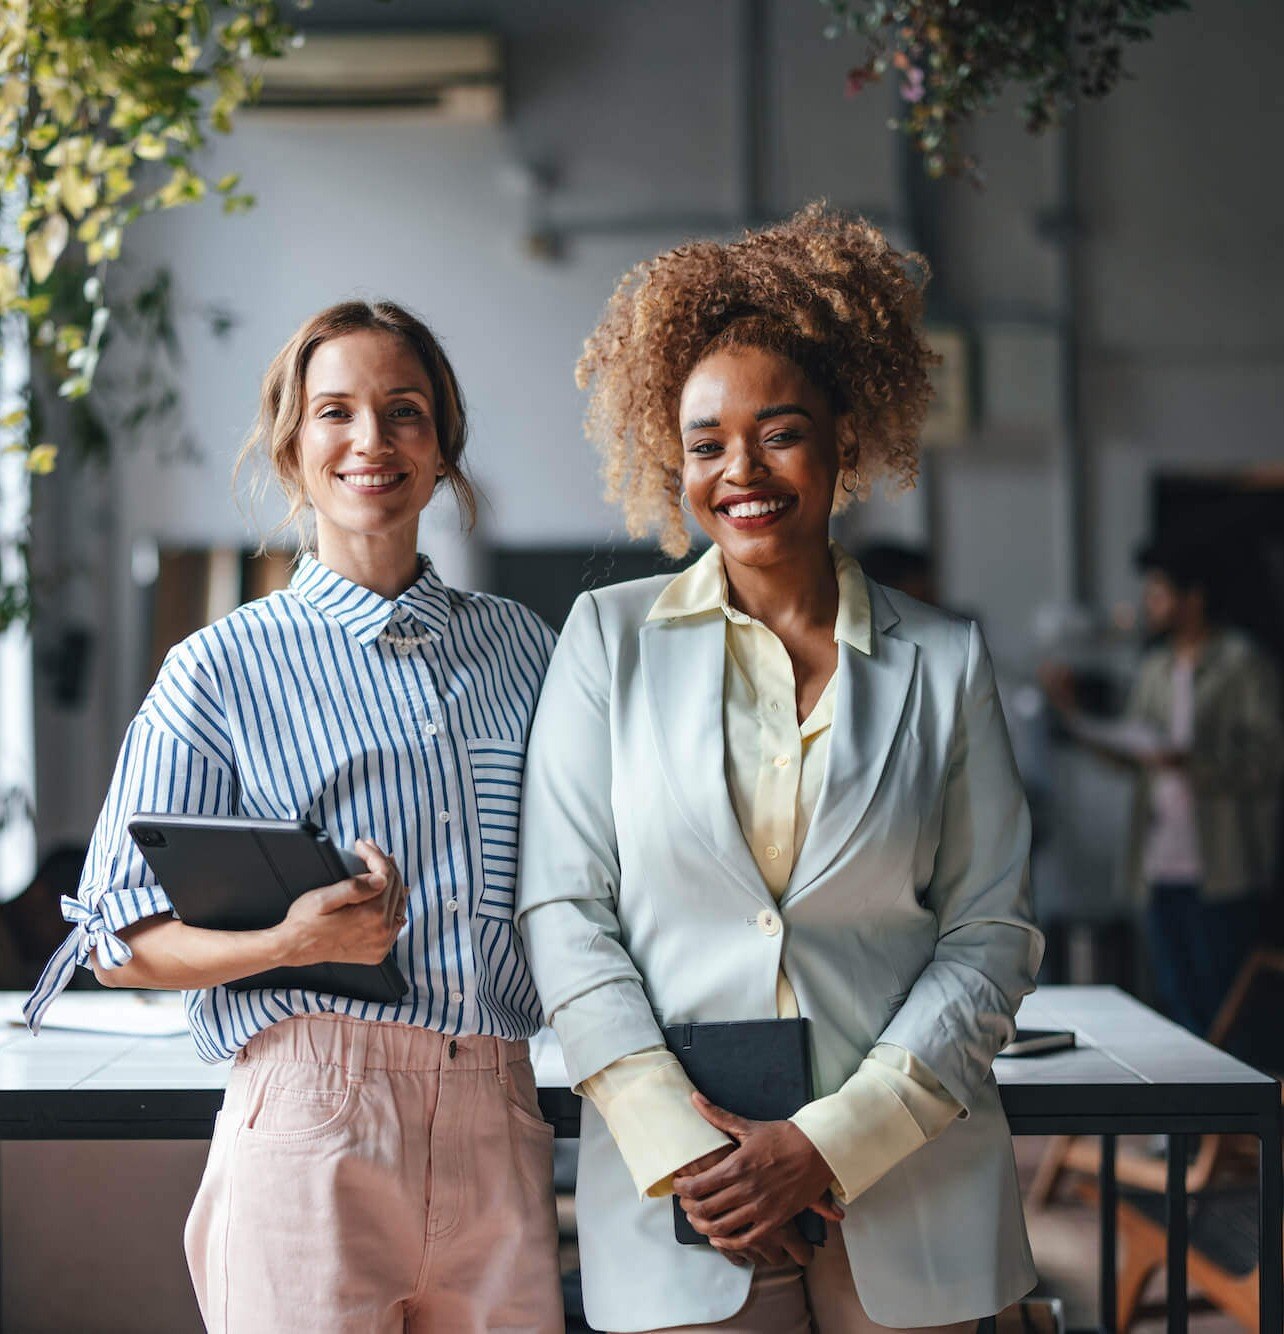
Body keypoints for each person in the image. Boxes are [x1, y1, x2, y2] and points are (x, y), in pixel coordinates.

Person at [516, 206, 1044, 1334]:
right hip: (687, 1198)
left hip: (914, 1187)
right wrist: (686, 1144)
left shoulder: (946, 662)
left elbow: (991, 931)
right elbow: (565, 910)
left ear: (844, 437)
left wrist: (826, 1142)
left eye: (780, 431)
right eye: (707, 442)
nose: (740, 470)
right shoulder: (603, 641)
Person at [24, 300, 564, 1334]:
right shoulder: (219, 667)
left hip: (499, 1105)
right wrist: (291, 940)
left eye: (404, 410)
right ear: (292, 447)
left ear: (443, 445)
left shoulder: (522, 650)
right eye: (336, 412)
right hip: (314, 1111)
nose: (372, 440)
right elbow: (110, 939)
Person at [1042, 537, 1283, 1035]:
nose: (1150, 604)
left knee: (1226, 1004)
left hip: (1222, 864)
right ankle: (1195, 1108)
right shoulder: (1155, 667)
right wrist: (1078, 722)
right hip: (1157, 863)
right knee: (1174, 999)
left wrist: (1194, 763)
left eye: (1158, 593)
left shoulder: (1241, 663)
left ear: (1191, 598)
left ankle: (1232, 1109)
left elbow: (1270, 757)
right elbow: (1136, 755)